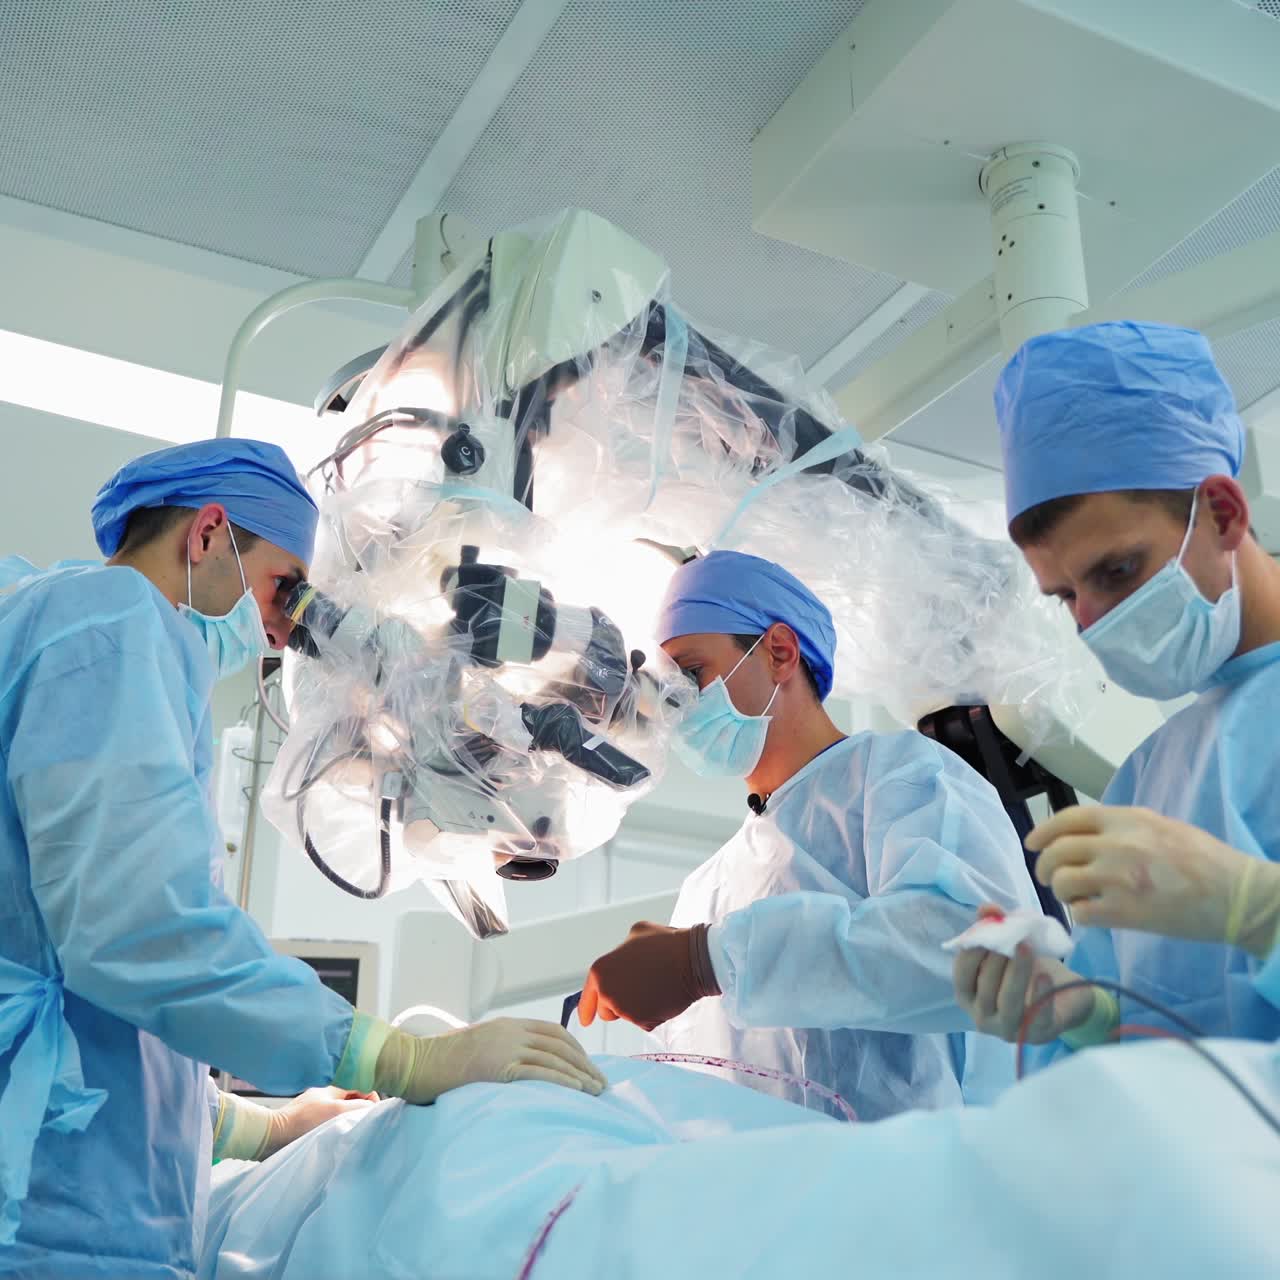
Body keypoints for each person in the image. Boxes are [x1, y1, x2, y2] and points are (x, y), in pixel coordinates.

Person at [0, 438, 604, 1277]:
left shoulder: (82, 639)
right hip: (47, 1219)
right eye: (284, 587)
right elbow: (139, 931)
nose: (287, 629)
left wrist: (264, 1128)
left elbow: (87, 1018)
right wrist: (401, 1059)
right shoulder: (112, 625)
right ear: (207, 534)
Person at [578, 550, 1040, 1121]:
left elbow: (977, 949)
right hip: (772, 1198)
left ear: (779, 652)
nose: (674, 708)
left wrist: (705, 959)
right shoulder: (707, 889)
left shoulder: (904, 775)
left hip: (914, 1189)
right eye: (663, 687)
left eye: (691, 674)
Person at [953, 320, 1280, 1058]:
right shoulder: (1148, 780)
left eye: (1118, 571)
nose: (1095, 623)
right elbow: (1170, 1047)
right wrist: (1088, 1013)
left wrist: (1261, 913)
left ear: (1223, 513)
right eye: (1065, 596)